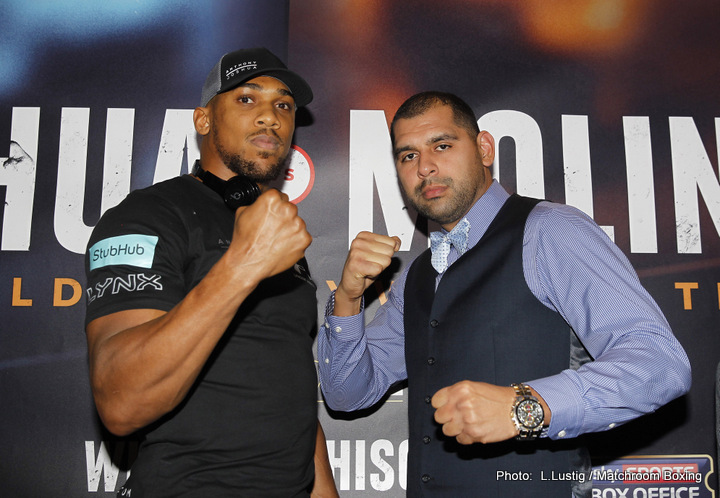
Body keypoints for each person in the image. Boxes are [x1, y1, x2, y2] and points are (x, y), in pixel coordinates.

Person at [317, 91, 691, 497]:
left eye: (442, 145)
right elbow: (346, 394)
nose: (425, 167)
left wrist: (525, 407)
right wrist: (350, 299)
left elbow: (660, 363)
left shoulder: (550, 231)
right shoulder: (417, 277)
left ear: (483, 148)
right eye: (408, 156)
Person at [84, 47, 338, 497]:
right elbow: (120, 401)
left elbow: (286, 385)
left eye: (283, 104)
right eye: (246, 99)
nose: (270, 117)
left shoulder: (275, 231)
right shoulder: (149, 215)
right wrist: (242, 266)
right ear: (203, 120)